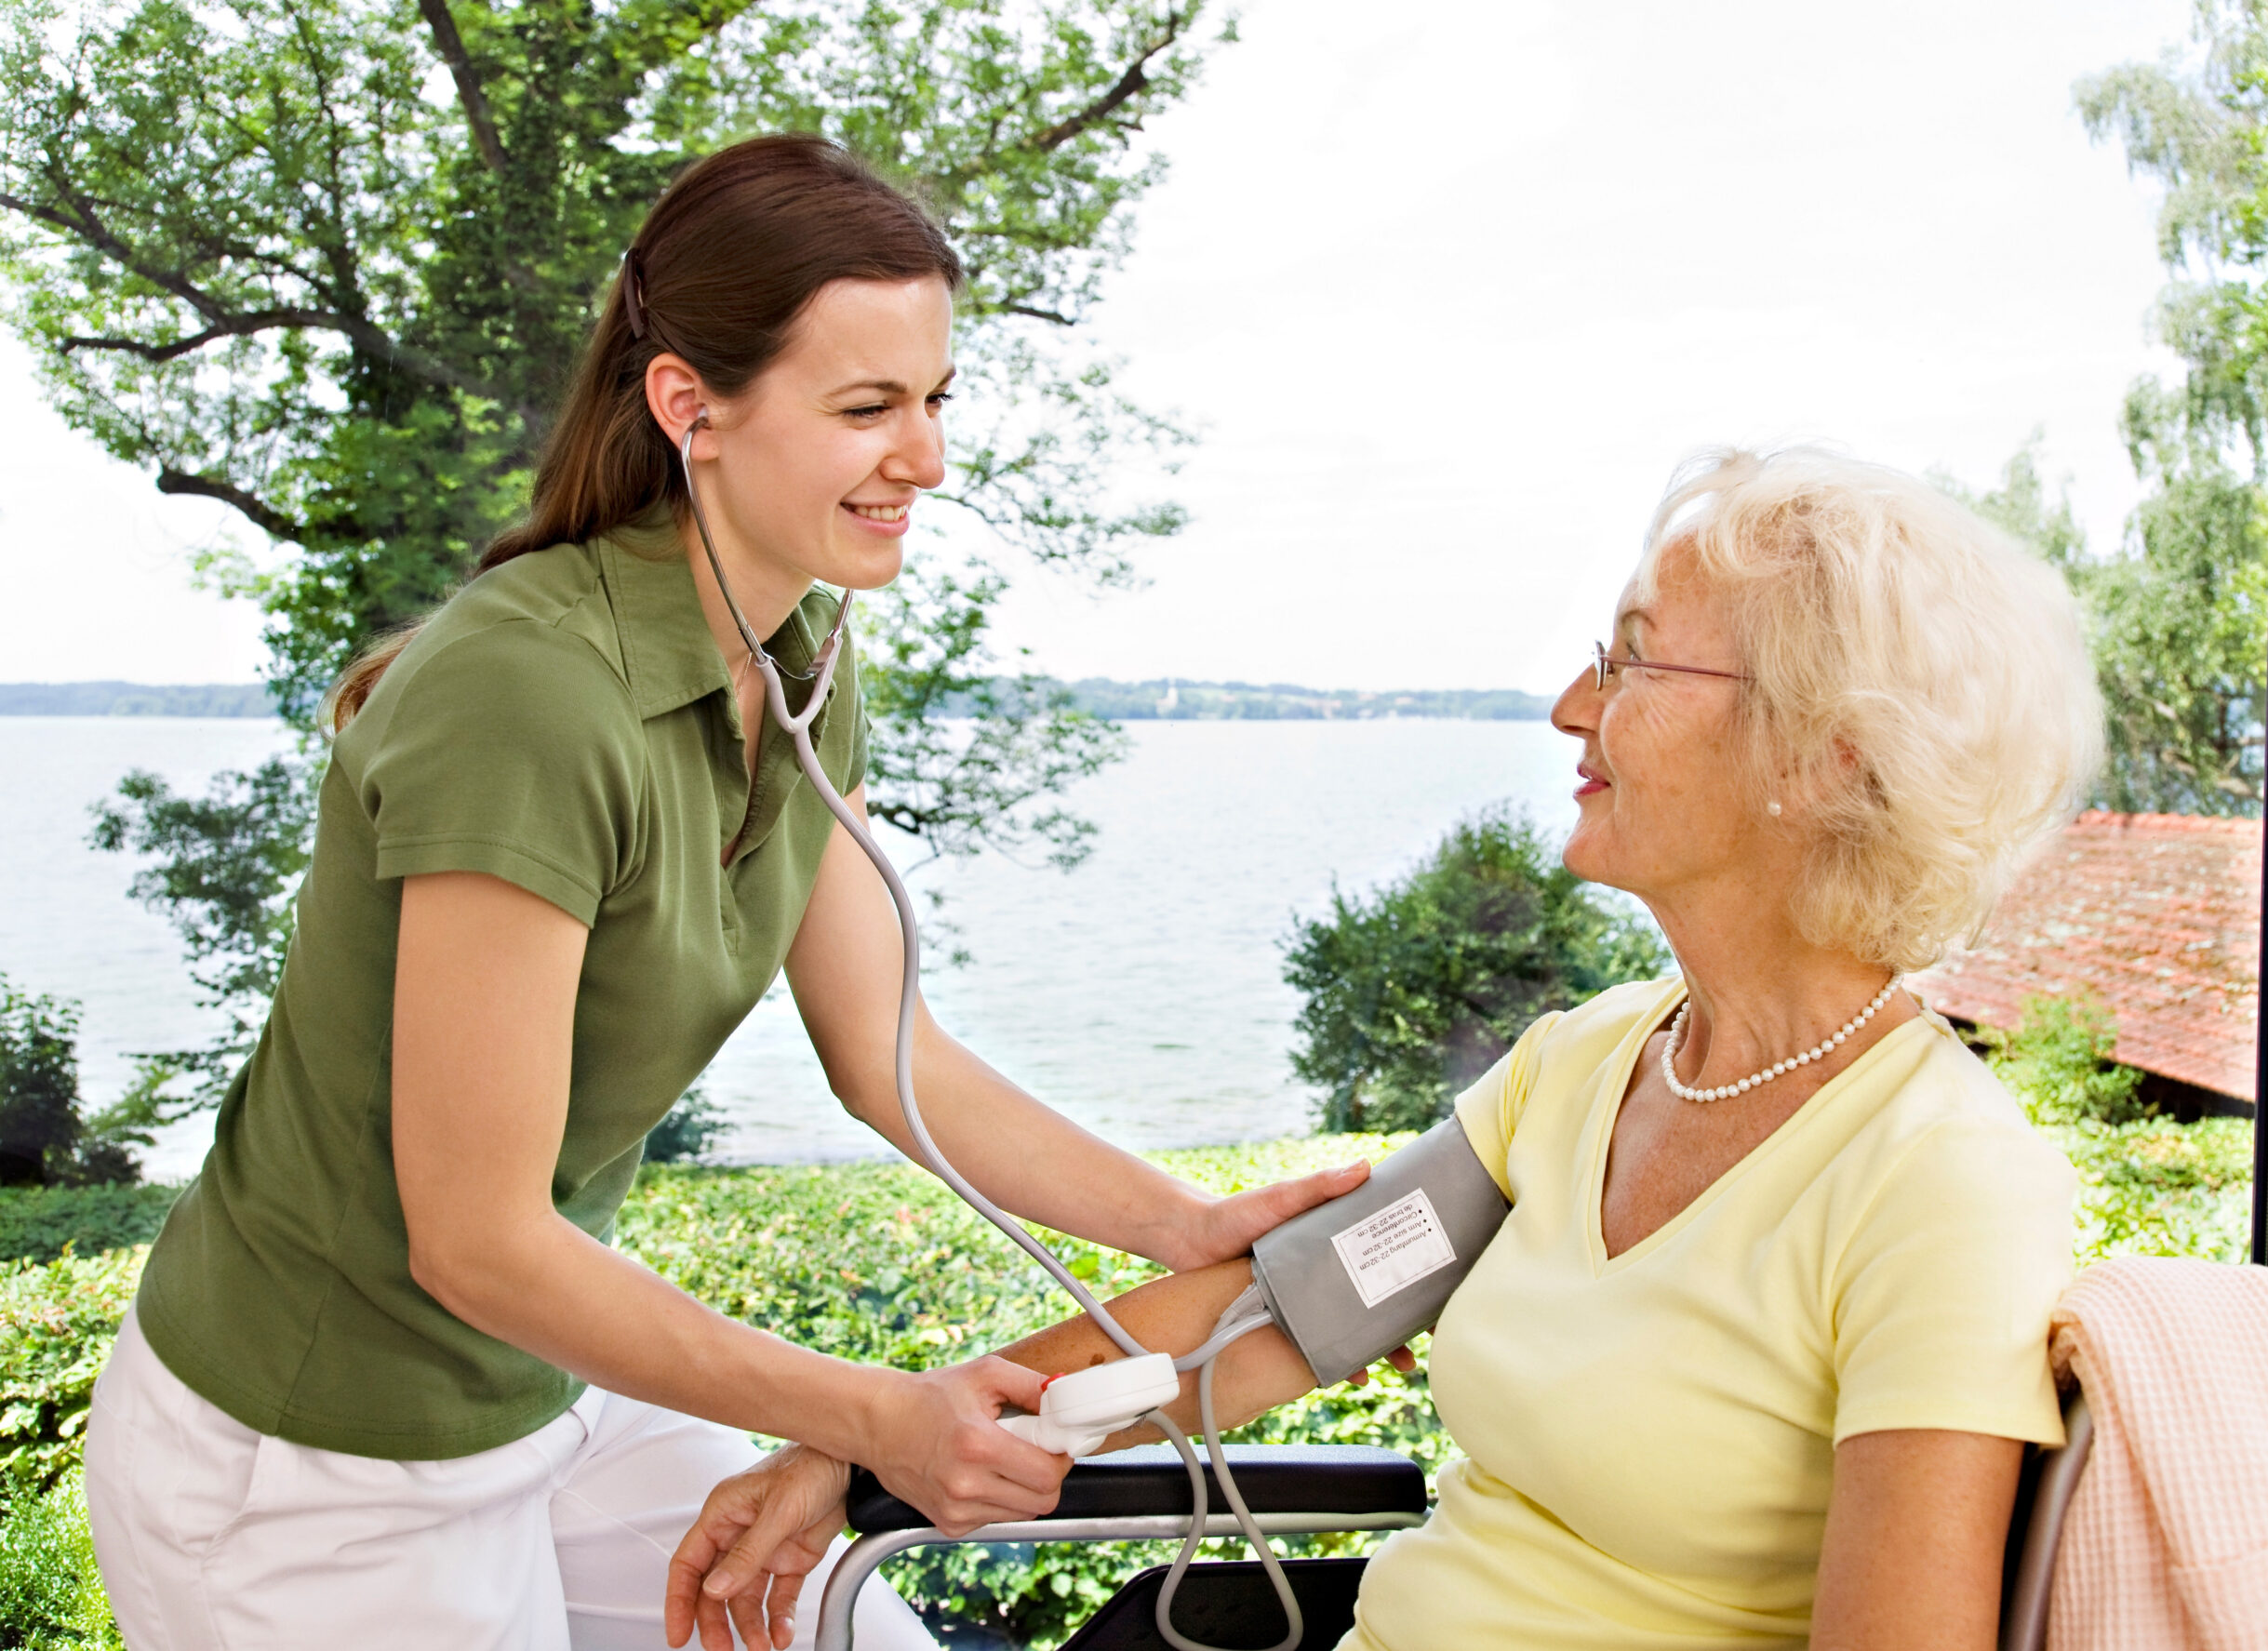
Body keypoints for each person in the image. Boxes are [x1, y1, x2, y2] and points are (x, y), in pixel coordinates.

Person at [79, 133, 1378, 1651]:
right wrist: (881, 1417)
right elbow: (476, 1237)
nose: (930, 459)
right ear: (691, 406)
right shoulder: (526, 693)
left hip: (542, 1401)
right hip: (311, 1466)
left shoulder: (808, 662)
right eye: (868, 408)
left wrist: (1187, 1222)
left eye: (937, 398)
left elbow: (895, 1060)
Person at [678, 446, 2102, 1651]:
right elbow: (1281, 1315)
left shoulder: (1942, 1188)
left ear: (1824, 757)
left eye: (1633, 660)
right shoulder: (1591, 1061)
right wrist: (865, 1443)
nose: (1568, 707)